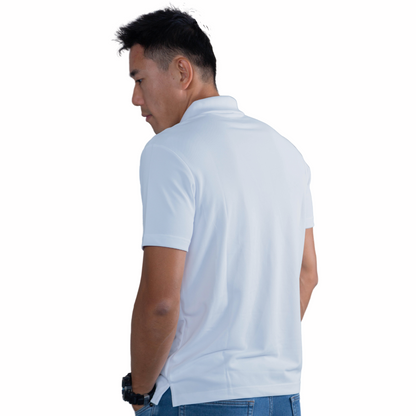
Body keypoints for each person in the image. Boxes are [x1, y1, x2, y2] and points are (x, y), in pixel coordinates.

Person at [115, 7, 318, 416]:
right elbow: (307, 274)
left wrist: (139, 392)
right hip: (283, 396)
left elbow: (160, 302)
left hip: (199, 397)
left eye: (139, 80)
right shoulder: (286, 152)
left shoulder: (169, 151)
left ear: (182, 72)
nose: (135, 99)